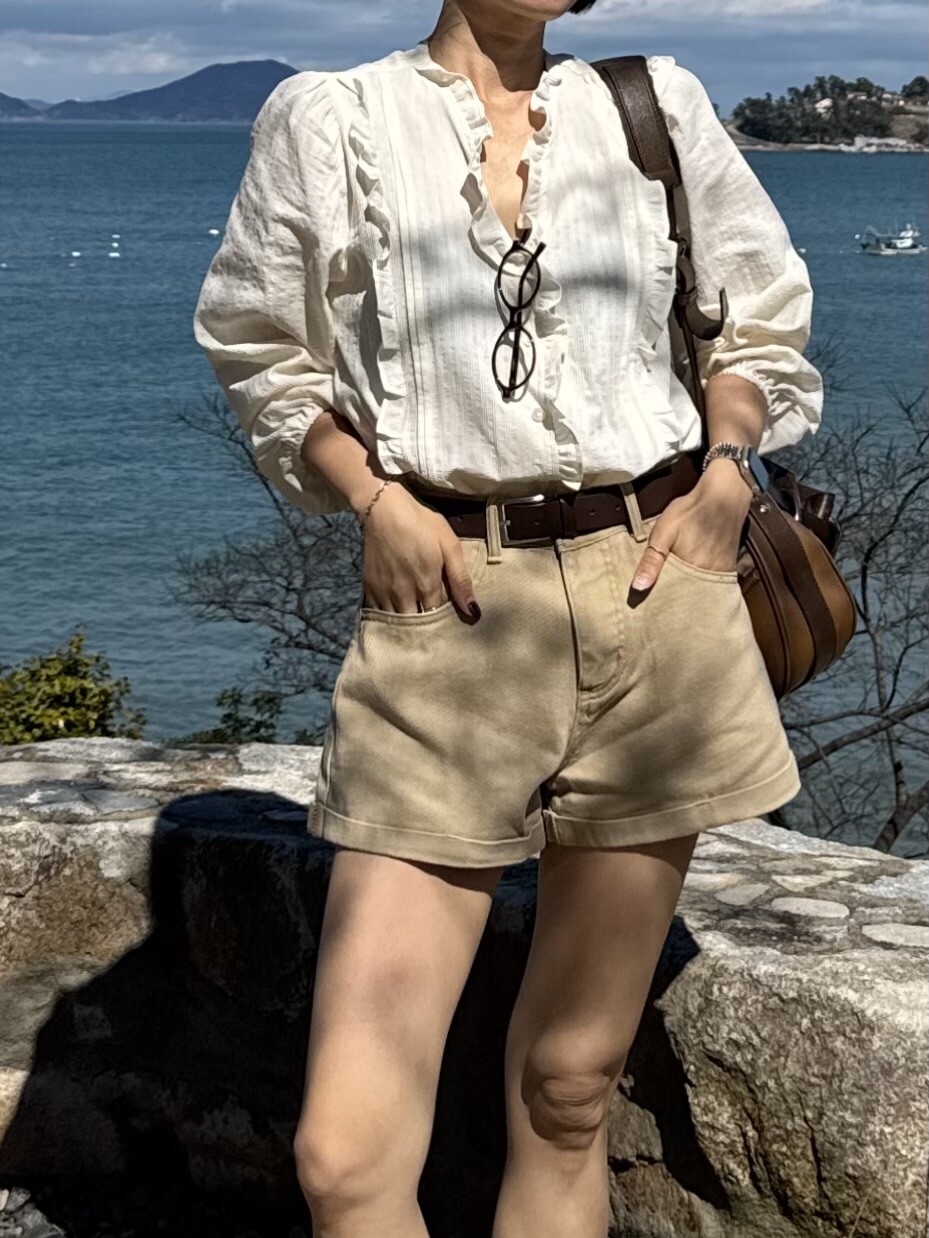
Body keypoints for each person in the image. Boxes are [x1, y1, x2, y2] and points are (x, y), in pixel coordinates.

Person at [192, 0, 823, 1233]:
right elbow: (258, 346)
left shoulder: (649, 104)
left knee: (570, 1087)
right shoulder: (332, 118)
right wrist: (373, 499)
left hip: (657, 595)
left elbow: (757, 311)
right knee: (344, 1157)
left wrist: (725, 473)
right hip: (448, 606)